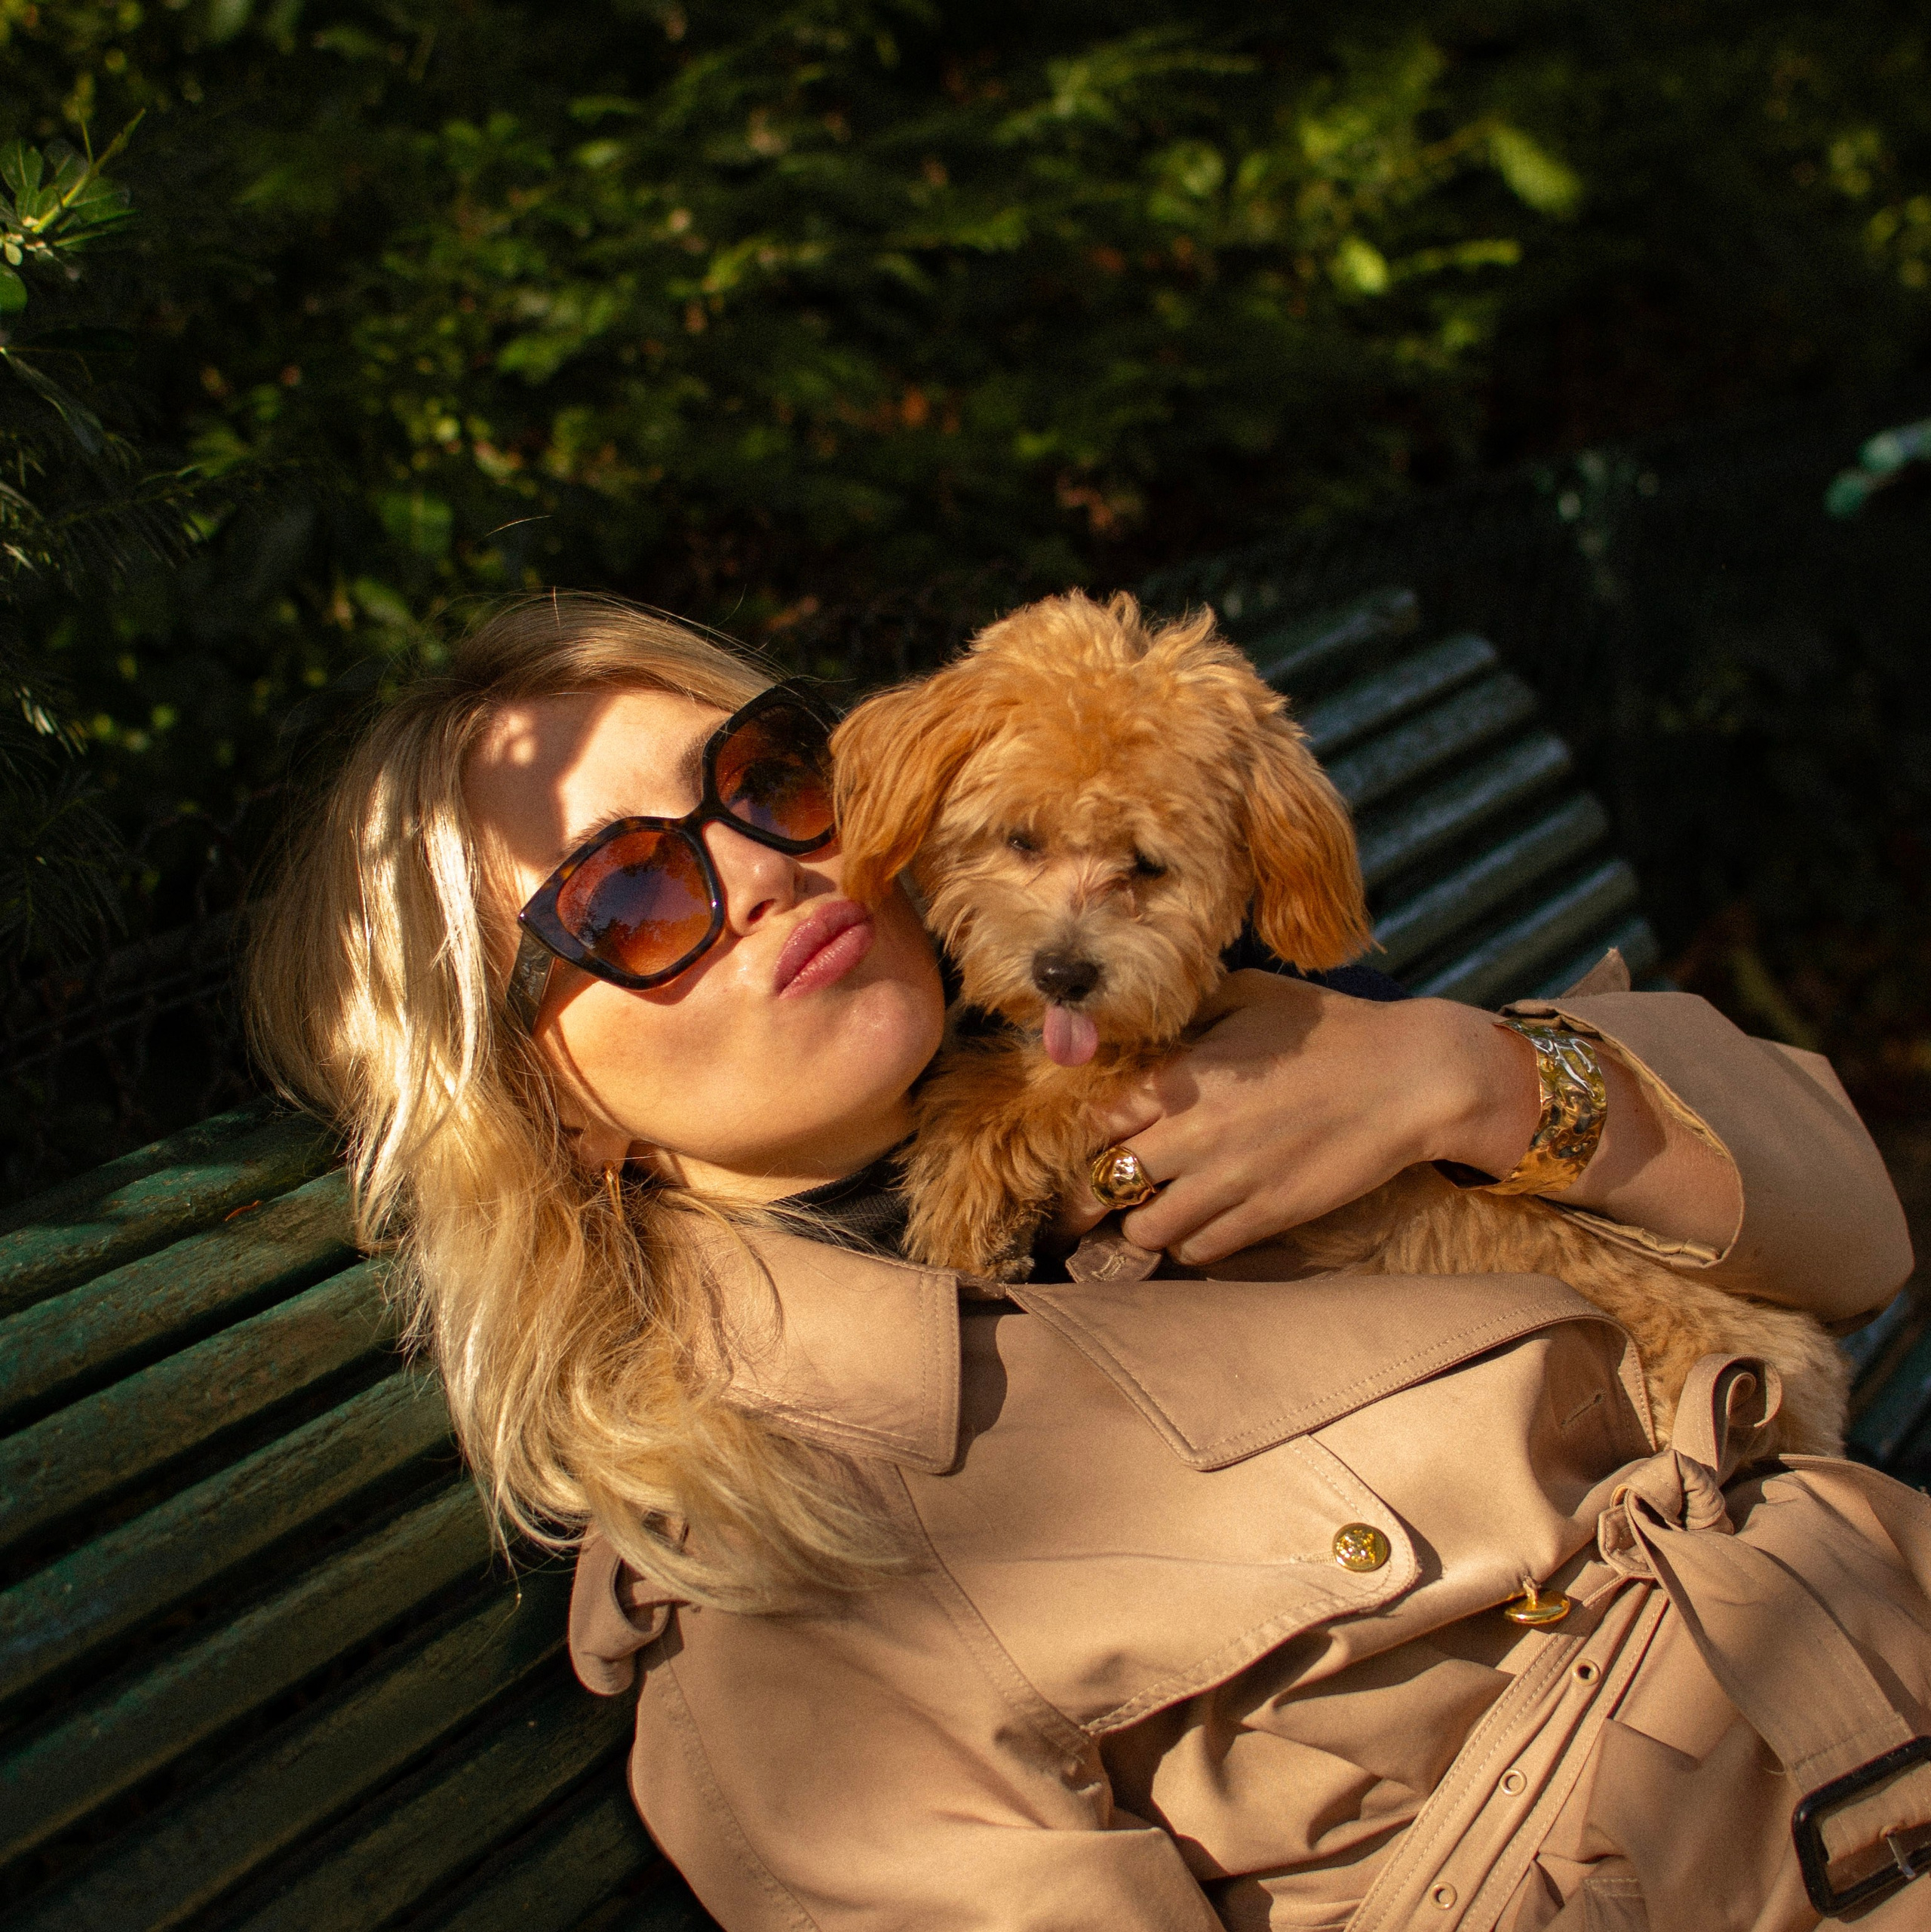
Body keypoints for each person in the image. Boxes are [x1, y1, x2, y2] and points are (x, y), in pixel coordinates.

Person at [248, 594, 1931, 1931]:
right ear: (533, 1093)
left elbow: (1853, 1235)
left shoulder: (1223, 1067)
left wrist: (1470, 1079)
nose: (765, 871)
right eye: (627, 898)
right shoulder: (787, 1569)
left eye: (767, 783)